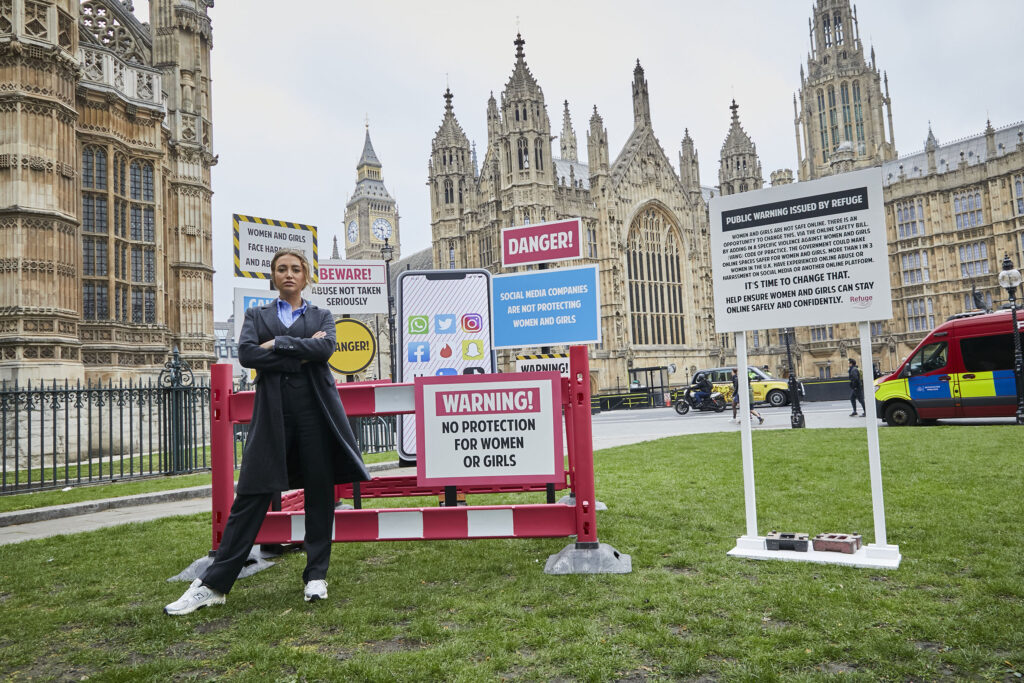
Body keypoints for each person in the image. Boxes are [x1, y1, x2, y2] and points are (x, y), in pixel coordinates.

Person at [165, 248, 371, 616]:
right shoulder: (256, 314)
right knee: (252, 492)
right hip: (272, 413)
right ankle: (214, 585)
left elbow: (325, 349)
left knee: (320, 493)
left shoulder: (321, 314)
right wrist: (301, 352)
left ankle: (316, 576)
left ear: (306, 276)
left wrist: (278, 344)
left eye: (295, 269)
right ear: (273, 277)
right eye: (281, 270)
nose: (289, 274)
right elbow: (246, 354)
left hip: (316, 414)